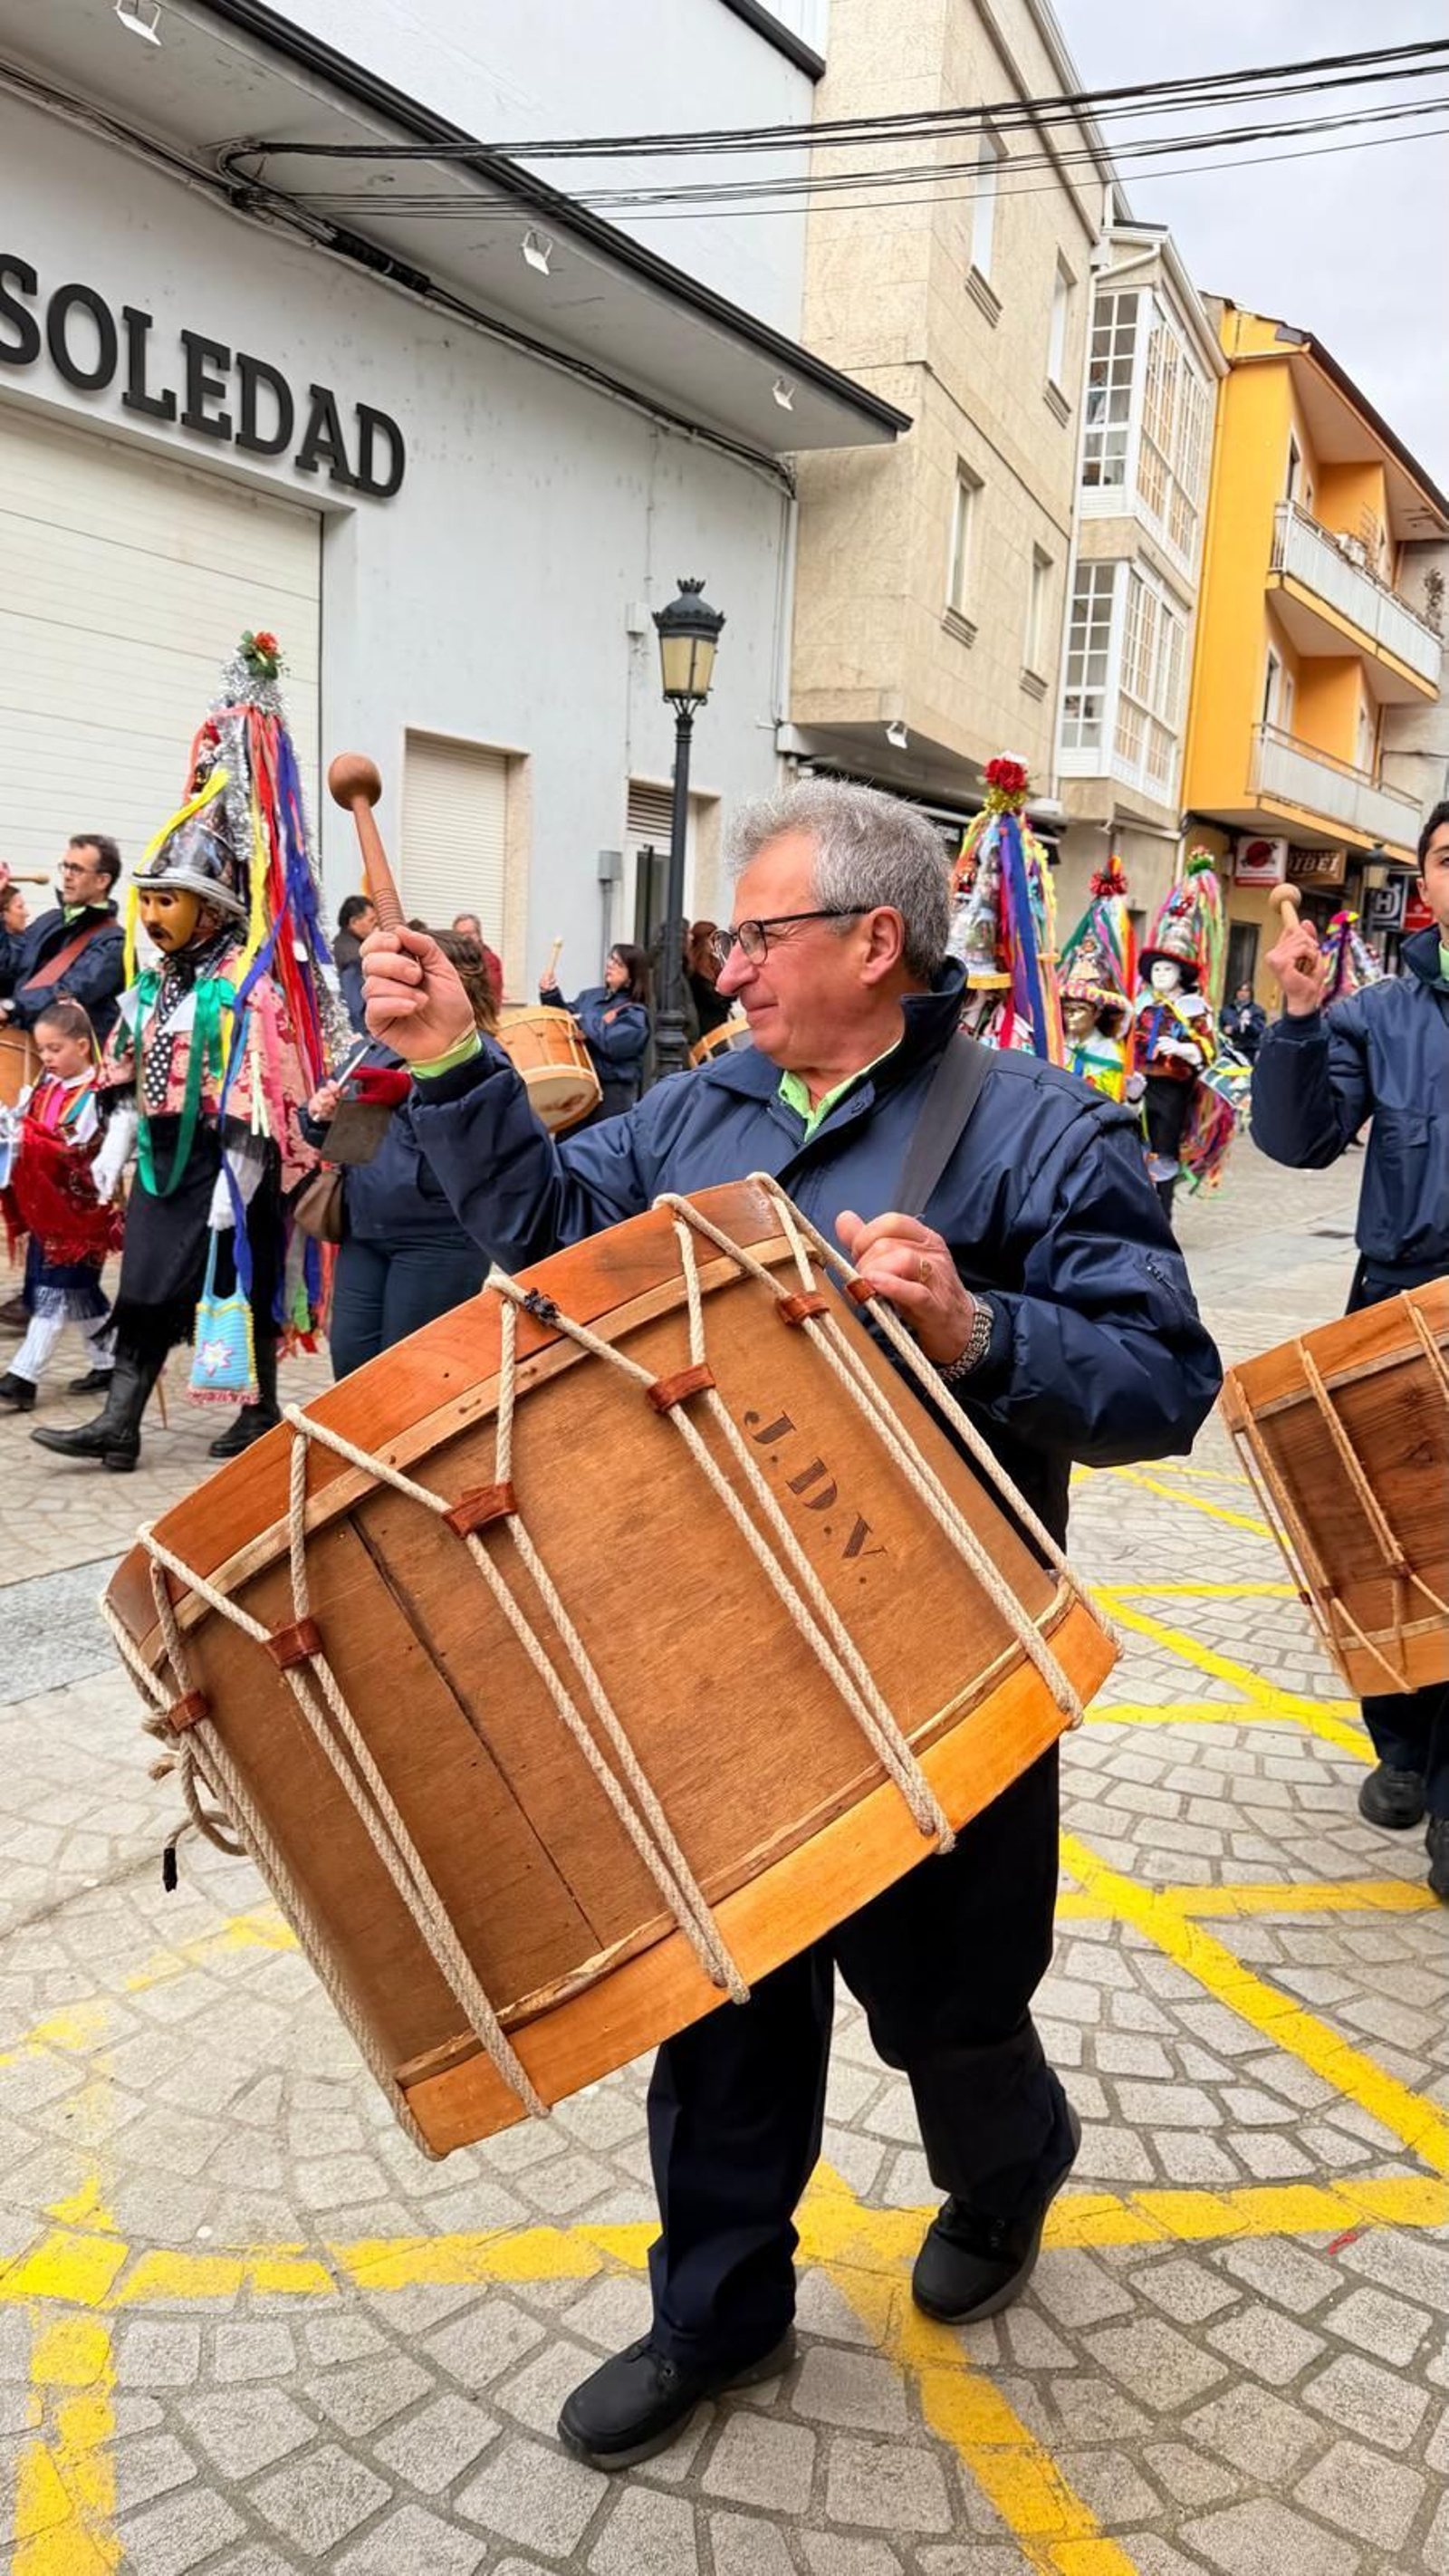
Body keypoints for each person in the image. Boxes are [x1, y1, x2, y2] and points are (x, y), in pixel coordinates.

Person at [360, 776, 1222, 2471]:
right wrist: (458, 1059)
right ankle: (719, 2307)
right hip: (721, 1647)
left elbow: (1165, 1377)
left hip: (946, 1660)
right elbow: (540, 1232)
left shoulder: (1042, 1124)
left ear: (872, 938)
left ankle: (1008, 2156)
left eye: (757, 935)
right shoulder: (703, 1107)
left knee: (946, 1997)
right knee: (727, 1996)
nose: (730, 969)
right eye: (730, 941)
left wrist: (983, 1328)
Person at [33, 634, 325, 1475]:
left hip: (234, 1165)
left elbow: (264, 1090)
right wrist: (114, 1143)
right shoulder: (153, 986)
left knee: (240, 1274)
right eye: (151, 900)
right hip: (166, 1160)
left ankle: (261, 1405)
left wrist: (244, 1176)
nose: (155, 916)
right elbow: (123, 1069)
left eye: (173, 902)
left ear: (215, 912)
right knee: (151, 1283)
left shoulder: (245, 988)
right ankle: (120, 1423)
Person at [1254, 800, 1449, 1902]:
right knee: (1385, 1549)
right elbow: (1297, 1138)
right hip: (1394, 1310)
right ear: (1424, 879)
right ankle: (1403, 1745)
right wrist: (1295, 1014)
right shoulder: (1377, 1015)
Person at [305, 932, 497, 1378]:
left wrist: (413, 1088)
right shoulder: (369, 1046)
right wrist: (321, 1115)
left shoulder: (480, 1052)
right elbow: (336, 1140)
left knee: (411, 1376)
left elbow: (480, 1125)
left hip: (437, 1237)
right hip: (365, 1230)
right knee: (351, 1366)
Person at [0, 999, 122, 1410]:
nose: (47, 1058)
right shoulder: (45, 1087)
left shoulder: (96, 1096)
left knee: (54, 1294)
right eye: (43, 1050)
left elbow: (70, 1149)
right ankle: (110, 1361)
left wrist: (25, 1137)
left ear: (82, 1046)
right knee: (76, 1290)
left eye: (56, 1049)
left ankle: (23, 1376)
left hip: (82, 1215)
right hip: (47, 1211)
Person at [0, 836, 127, 1044]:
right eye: (66, 867)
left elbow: (70, 992)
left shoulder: (114, 942)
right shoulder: (49, 920)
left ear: (102, 880)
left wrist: (12, 1008)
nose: (67, 876)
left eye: (76, 869)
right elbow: (7, 965)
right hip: (25, 1050)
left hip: (73, 1068)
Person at [539, 943, 651, 1120]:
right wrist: (550, 994)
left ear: (632, 976)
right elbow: (564, 1018)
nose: (610, 965)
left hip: (612, 1096)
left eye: (619, 964)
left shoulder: (636, 1014)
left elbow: (613, 1043)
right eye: (611, 959)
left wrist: (583, 1022)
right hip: (579, 1089)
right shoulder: (589, 996)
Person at [333, 895, 377, 1033]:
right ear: (353, 922)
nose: (376, 925)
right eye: (371, 920)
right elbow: (356, 1009)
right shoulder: (354, 957)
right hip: (357, 1033)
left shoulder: (338, 945)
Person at [686, 921, 734, 1040]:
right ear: (703, 940)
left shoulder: (716, 963)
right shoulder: (692, 968)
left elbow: (731, 991)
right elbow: (711, 997)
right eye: (713, 939)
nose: (716, 944)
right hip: (703, 1027)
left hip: (720, 1024)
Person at [1221, 980, 1267, 1061]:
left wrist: (1246, 1024)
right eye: (1240, 990)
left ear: (1250, 994)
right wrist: (1224, 1030)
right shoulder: (1226, 1009)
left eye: (1246, 991)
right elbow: (1220, 1028)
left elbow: (1259, 1030)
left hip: (1248, 1050)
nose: (1242, 993)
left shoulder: (1257, 1010)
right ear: (1236, 992)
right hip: (1229, 1050)